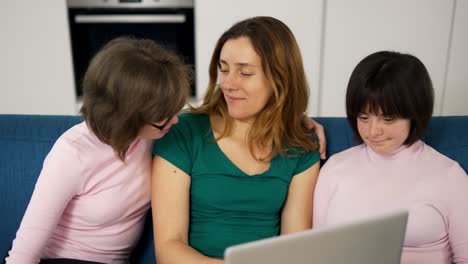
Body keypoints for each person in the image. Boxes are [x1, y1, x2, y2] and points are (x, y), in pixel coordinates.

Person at [5, 37, 192, 264]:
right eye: (163, 116)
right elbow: (25, 248)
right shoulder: (72, 154)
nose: (174, 120)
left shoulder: (151, 135)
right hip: (62, 259)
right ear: (127, 117)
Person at [151, 16, 321, 264]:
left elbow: (292, 248)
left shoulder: (301, 144)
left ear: (280, 79)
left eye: (245, 72)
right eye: (224, 68)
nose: (228, 84)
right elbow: (168, 248)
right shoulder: (184, 131)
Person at [313, 51, 468, 264]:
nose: (373, 131)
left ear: (415, 115)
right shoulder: (334, 168)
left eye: (387, 118)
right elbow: (316, 252)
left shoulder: (451, 176)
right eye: (364, 117)